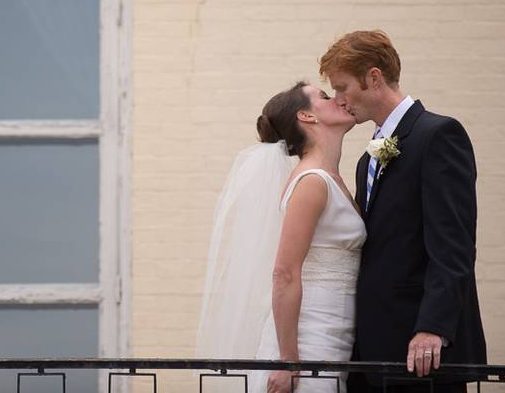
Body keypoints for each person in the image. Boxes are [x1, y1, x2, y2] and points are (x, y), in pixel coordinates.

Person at [319, 30, 487, 393]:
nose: (340, 100)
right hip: (373, 349)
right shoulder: (367, 160)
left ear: (374, 78)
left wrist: (434, 327)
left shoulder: (439, 135)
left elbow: (453, 243)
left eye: (343, 87)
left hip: (422, 350)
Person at [198, 81, 365, 393]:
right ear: (307, 116)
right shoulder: (312, 182)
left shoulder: (330, 179)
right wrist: (288, 361)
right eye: (326, 97)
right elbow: (284, 273)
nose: (340, 100)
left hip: (334, 338)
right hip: (307, 343)